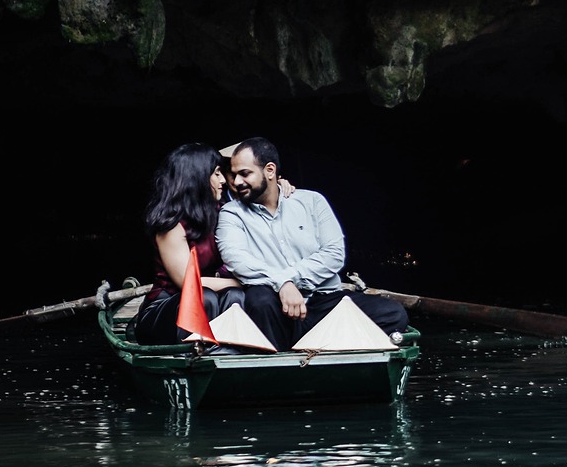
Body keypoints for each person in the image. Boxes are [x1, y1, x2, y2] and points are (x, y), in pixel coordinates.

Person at [215, 136, 411, 346]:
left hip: (324, 300)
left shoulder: (312, 201)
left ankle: (309, 345)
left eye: (245, 174)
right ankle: (294, 356)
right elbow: (236, 258)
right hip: (276, 307)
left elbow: (334, 254)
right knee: (259, 299)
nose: (236, 182)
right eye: (234, 175)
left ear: (270, 171)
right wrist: (281, 285)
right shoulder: (232, 213)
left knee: (393, 314)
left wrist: (290, 280)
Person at [132, 143, 247, 344]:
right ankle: (195, 359)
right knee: (205, 298)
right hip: (166, 308)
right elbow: (188, 284)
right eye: (217, 173)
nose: (223, 180)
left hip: (210, 297)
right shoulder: (171, 224)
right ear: (198, 178)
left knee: (235, 296)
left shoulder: (223, 212)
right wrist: (246, 282)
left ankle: (231, 353)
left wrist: (280, 187)